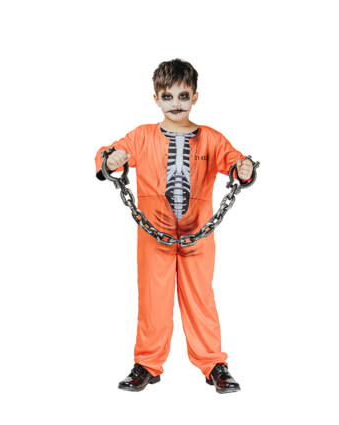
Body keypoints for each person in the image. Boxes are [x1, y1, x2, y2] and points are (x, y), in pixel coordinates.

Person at [94, 58, 255, 394]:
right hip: (154, 233)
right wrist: (111, 160)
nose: (176, 104)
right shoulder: (142, 136)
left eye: (183, 96)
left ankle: (213, 363)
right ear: (156, 98)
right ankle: (147, 363)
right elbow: (111, 153)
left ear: (195, 97)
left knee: (200, 297)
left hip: (198, 234)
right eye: (168, 97)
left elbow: (233, 159)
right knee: (153, 298)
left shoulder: (210, 139)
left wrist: (243, 168)